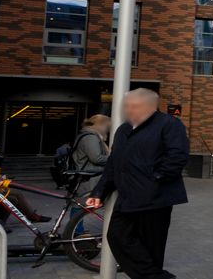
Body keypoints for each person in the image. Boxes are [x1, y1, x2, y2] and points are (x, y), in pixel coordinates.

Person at [85, 89, 188, 279]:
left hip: (156, 198)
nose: (129, 110)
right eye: (127, 106)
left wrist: (155, 178)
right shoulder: (123, 130)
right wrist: (99, 192)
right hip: (127, 197)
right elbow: (113, 163)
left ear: (151, 106)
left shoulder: (169, 124)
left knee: (151, 247)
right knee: (116, 236)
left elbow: (177, 156)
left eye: (135, 106)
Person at [69, 114, 111, 195]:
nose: (108, 131)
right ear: (101, 125)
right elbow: (96, 158)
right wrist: (113, 159)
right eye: (107, 127)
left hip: (88, 177)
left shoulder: (86, 135)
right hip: (91, 179)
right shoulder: (91, 137)